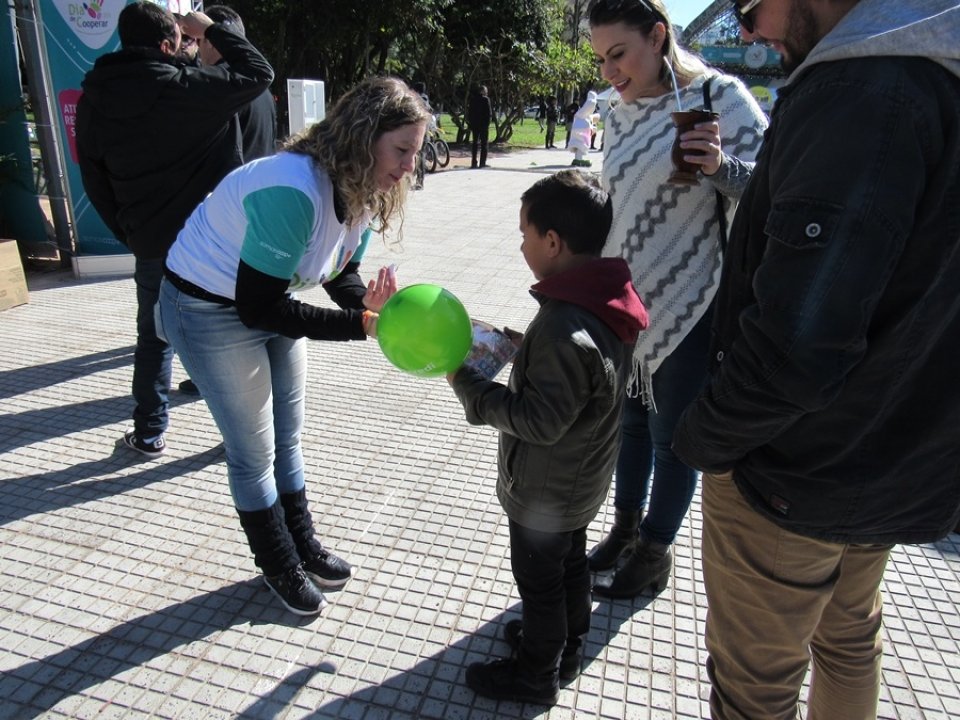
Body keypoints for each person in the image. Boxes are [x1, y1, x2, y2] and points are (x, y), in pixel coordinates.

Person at [671, 0, 960, 717]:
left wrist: (705, 441)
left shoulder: (865, 92)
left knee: (754, 693)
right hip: (894, 461)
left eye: (749, 4)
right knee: (850, 640)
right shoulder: (937, 76)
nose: (743, 29)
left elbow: (798, 347)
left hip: (792, 476)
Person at [157, 77, 430, 616]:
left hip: (264, 296)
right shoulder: (292, 188)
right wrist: (362, 327)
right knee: (253, 451)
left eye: (414, 154)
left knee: (289, 436)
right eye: (401, 151)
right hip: (205, 309)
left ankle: (303, 542)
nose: (408, 168)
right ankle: (277, 561)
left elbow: (340, 272)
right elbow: (258, 309)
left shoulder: (363, 187)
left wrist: (369, 306)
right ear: (363, 136)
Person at [585, 0, 768, 599]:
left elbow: (774, 184)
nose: (610, 72)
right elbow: (621, 199)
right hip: (625, 296)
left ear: (658, 35)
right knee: (630, 425)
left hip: (694, 293)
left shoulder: (719, 96)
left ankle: (654, 553)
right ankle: (625, 530)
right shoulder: (616, 113)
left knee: (673, 435)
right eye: (601, 60)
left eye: (620, 55)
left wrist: (721, 166)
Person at [448, 170, 648, 704]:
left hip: (545, 493)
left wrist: (464, 379)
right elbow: (583, 381)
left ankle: (536, 674)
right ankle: (568, 641)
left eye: (524, 234)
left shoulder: (565, 327)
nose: (519, 244)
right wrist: (522, 346)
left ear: (553, 242)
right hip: (579, 483)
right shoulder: (604, 299)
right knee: (571, 564)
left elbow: (539, 420)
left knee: (540, 584)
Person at [76, 3, 273, 458]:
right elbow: (258, 71)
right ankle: (244, 436)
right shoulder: (191, 90)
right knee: (231, 336)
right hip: (212, 245)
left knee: (153, 338)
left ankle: (148, 433)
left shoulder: (93, 100)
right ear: (168, 44)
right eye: (183, 40)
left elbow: (95, 182)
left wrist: (132, 234)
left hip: (150, 244)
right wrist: (209, 29)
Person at [201, 5, 278, 162]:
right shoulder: (262, 87)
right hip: (260, 182)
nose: (197, 48)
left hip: (229, 184)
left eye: (198, 40)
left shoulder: (218, 82)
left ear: (211, 42)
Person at [568, 90, 598, 167]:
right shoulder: (590, 105)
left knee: (580, 143)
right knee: (581, 144)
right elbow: (591, 105)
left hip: (580, 129)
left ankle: (578, 158)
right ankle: (579, 159)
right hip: (582, 129)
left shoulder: (582, 113)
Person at [467, 85, 492, 169]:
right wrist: (487, 124)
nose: (487, 93)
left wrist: (471, 123)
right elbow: (489, 114)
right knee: (484, 144)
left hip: (474, 125)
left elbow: (469, 113)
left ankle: (474, 163)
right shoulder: (486, 100)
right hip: (483, 125)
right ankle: (482, 163)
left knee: (475, 143)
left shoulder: (472, 100)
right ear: (482, 91)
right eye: (486, 91)